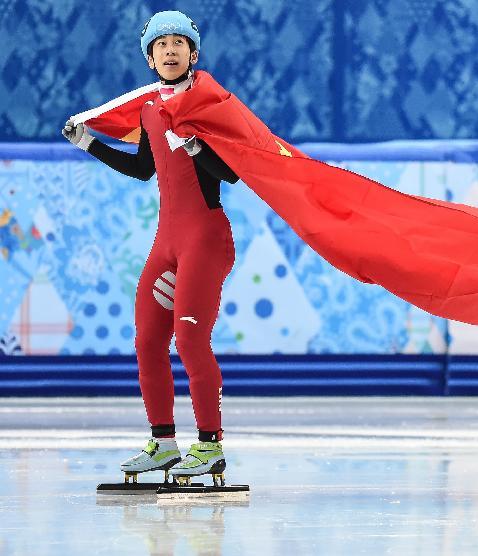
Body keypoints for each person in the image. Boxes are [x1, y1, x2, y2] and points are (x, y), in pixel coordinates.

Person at [62, 10, 236, 485]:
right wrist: (89, 145)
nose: (171, 50)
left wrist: (199, 148)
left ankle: (210, 446)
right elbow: (144, 169)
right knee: (147, 341)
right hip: (168, 241)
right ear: (151, 57)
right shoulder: (149, 109)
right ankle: (163, 443)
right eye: (162, 45)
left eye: (180, 43)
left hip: (205, 237)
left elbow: (233, 172)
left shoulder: (207, 102)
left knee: (190, 340)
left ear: (193, 54)